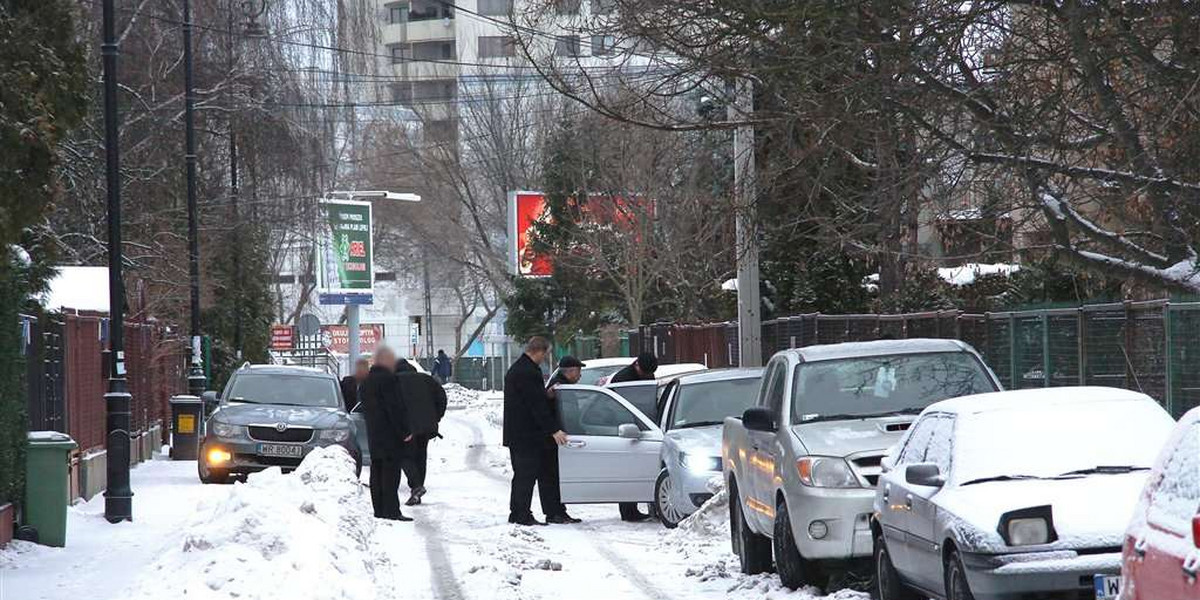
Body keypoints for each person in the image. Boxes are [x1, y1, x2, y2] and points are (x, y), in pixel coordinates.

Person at [503, 336, 569, 526]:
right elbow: (535, 405)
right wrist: (554, 430)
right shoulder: (528, 372)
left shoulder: (519, 368)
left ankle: (517, 513)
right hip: (526, 435)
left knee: (522, 476)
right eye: (546, 354)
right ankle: (522, 515)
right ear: (539, 351)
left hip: (518, 434)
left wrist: (545, 394)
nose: (545, 358)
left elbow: (529, 398)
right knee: (526, 477)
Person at [361, 346, 413, 522]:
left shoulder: (366, 381)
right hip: (390, 435)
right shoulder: (389, 380)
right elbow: (395, 408)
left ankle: (379, 509)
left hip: (373, 434)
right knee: (391, 474)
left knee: (376, 471)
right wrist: (405, 431)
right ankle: (391, 510)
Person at [607, 351, 658, 522]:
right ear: (637, 365)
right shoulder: (622, 379)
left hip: (644, 424)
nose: (647, 376)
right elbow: (616, 405)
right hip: (625, 427)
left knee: (640, 469)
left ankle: (637, 507)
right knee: (627, 469)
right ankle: (628, 510)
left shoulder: (647, 374)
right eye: (645, 373)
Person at [541, 356, 584, 524]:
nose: (579, 376)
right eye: (578, 371)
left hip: (558, 438)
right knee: (551, 477)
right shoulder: (560, 387)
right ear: (571, 371)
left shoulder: (561, 386)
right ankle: (554, 512)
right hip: (554, 440)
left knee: (557, 477)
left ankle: (559, 511)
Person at [396, 369, 447, 506]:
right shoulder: (427, 379)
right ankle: (417, 491)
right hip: (426, 427)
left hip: (407, 427)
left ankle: (416, 486)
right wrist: (437, 417)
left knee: (404, 455)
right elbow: (442, 397)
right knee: (420, 456)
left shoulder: (396, 381)